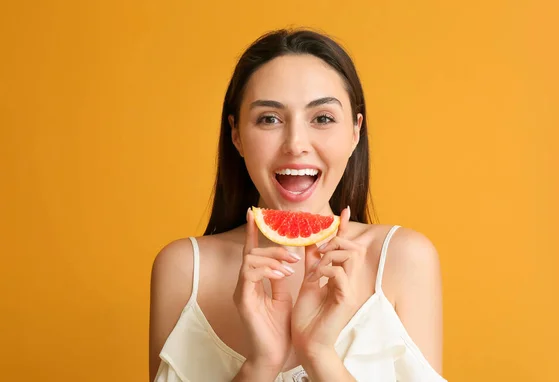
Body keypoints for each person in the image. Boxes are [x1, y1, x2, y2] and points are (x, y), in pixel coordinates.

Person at [149, 28, 446, 382]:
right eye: (269, 119)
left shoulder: (403, 259)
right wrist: (262, 363)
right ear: (236, 135)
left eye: (322, 118)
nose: (295, 144)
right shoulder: (184, 269)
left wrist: (320, 354)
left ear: (355, 131)